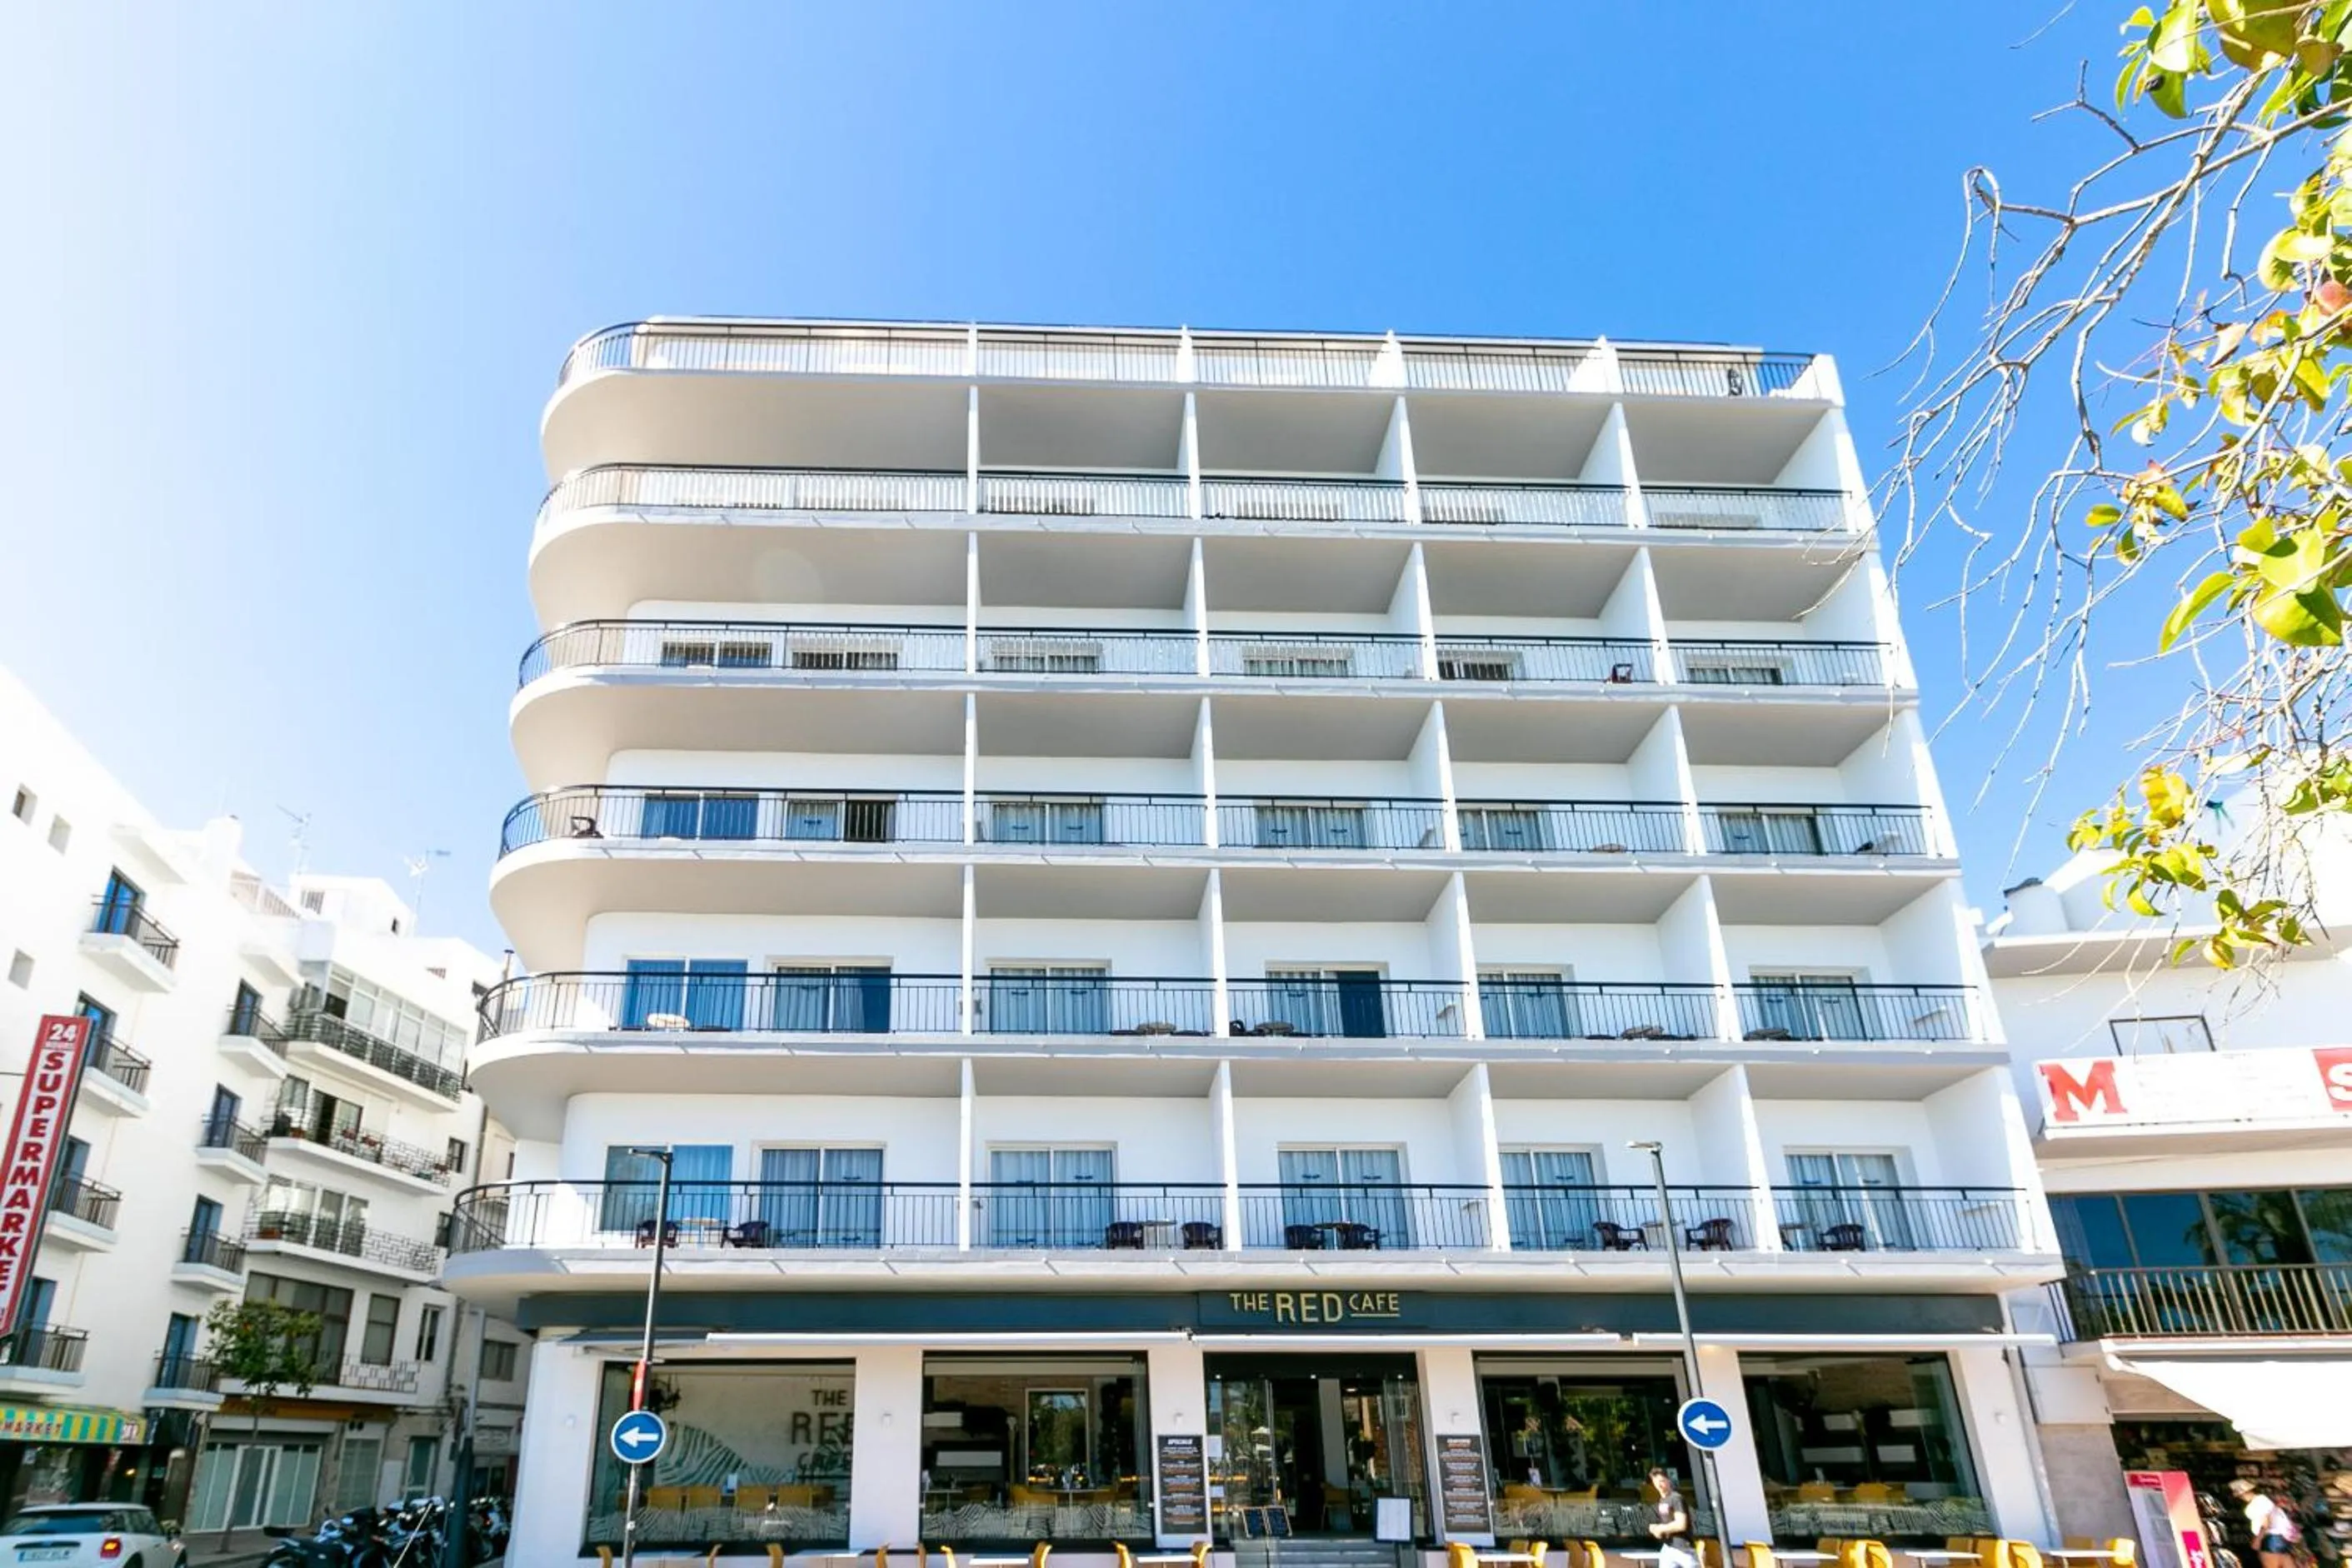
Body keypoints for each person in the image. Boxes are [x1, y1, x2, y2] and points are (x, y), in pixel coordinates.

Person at [2235, 1478, 2300, 1568]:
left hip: (2270, 1539)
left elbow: (2265, 1523)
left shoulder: (2258, 1502)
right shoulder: (2262, 1500)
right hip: (2280, 1538)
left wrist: (2258, 1540)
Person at [1648, 1466, 1697, 1568]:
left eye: (1662, 1481)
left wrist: (1661, 1529)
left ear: (1668, 1480)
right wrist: (1654, 1529)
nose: (1659, 1485)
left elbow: (1681, 1524)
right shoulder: (1661, 1501)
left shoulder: (1676, 1498)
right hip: (1669, 1546)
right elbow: (1662, 1522)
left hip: (1683, 1548)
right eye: (1655, 1482)